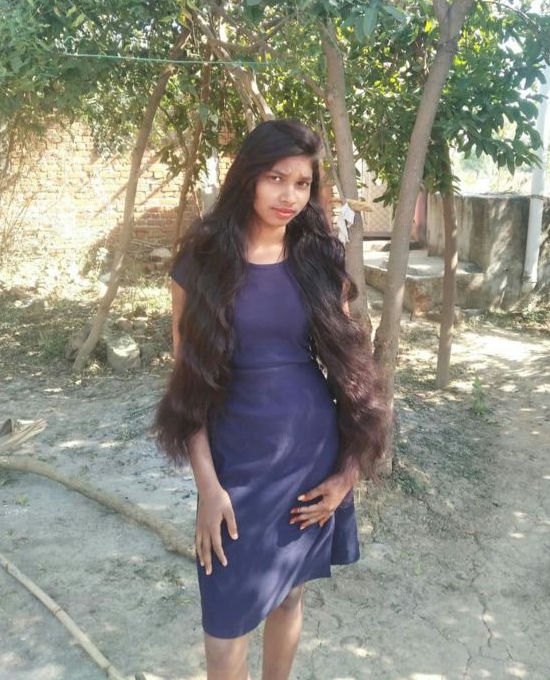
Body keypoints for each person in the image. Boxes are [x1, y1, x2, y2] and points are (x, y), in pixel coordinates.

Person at [153, 118, 389, 680]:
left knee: (288, 596)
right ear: (249, 178)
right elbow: (187, 386)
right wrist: (207, 488)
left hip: (309, 459)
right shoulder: (202, 262)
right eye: (276, 178)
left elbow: (355, 375)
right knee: (225, 627)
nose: (289, 196)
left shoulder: (318, 258)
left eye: (302, 183)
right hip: (236, 463)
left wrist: (346, 476)